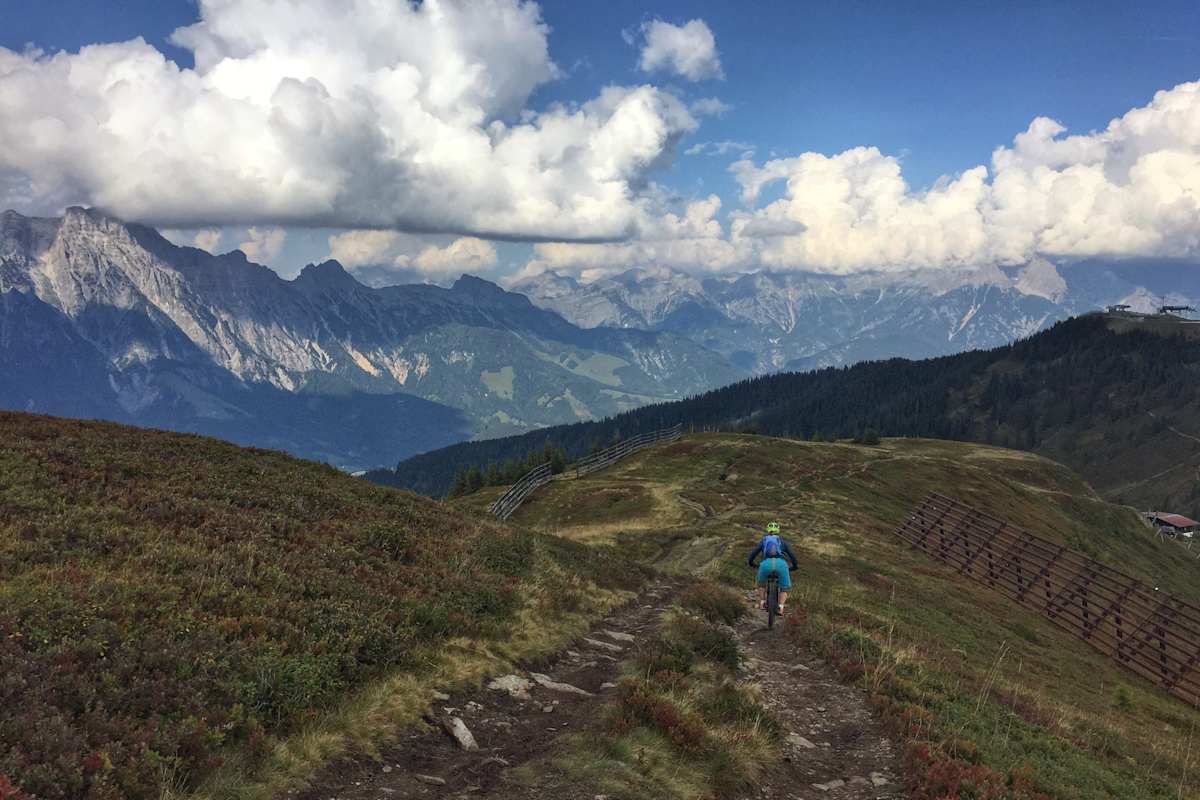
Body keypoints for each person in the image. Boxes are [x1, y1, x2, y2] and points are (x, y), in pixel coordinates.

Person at [747, 521, 798, 615]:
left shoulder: (764, 540)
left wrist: (752, 563)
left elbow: (753, 554)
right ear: (778, 530)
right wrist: (794, 567)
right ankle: (781, 607)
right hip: (781, 564)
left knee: (761, 584)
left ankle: (762, 602)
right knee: (784, 588)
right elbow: (792, 556)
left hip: (765, 564)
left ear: (768, 530)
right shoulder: (782, 541)